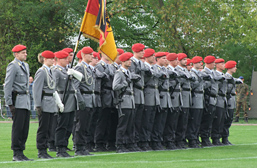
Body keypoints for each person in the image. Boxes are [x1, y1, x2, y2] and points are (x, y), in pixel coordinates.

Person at [4, 44, 33, 161]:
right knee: (18, 128)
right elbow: (8, 85)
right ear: (16, 54)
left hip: (25, 100)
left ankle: (21, 151)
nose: (25, 54)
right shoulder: (13, 66)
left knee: (25, 128)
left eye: (25, 52)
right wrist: (10, 104)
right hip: (18, 100)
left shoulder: (25, 65)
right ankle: (16, 153)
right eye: (23, 53)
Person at [53, 50, 82, 157]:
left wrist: (73, 72)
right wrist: (58, 103)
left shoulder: (67, 70)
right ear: (59, 60)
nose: (67, 60)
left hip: (71, 100)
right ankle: (60, 149)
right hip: (63, 99)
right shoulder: (56, 71)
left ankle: (64, 146)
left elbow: (81, 78)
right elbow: (54, 88)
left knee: (69, 126)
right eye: (65, 59)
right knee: (62, 126)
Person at [33, 50, 60, 159]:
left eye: (53, 58)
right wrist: (38, 105)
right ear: (44, 59)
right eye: (50, 58)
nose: (52, 60)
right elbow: (37, 89)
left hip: (51, 102)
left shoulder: (51, 71)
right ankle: (41, 150)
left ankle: (45, 148)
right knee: (43, 128)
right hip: (44, 102)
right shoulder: (41, 71)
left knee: (49, 128)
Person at [73, 46, 95, 155]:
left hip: (90, 99)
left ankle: (84, 146)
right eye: (89, 54)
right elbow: (75, 86)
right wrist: (80, 100)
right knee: (81, 125)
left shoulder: (89, 68)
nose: (92, 56)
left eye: (92, 54)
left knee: (87, 125)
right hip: (84, 99)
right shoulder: (79, 68)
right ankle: (79, 147)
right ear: (83, 55)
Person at [112, 52, 135, 153]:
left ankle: (128, 143)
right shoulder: (119, 72)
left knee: (130, 124)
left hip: (130, 100)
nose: (130, 62)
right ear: (123, 61)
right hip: (124, 100)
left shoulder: (128, 72)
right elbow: (115, 86)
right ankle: (120, 145)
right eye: (128, 60)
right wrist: (126, 82)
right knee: (123, 124)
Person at [128, 43, 146, 151]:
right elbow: (130, 75)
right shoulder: (132, 62)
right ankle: (132, 142)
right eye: (141, 51)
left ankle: (137, 141)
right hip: (134, 92)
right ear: (136, 52)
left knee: (139, 120)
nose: (143, 53)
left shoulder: (140, 63)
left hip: (140, 92)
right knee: (133, 120)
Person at [151, 52, 170, 150]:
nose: (165, 60)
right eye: (163, 58)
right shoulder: (155, 68)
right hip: (159, 95)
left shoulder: (164, 69)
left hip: (166, 96)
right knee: (157, 121)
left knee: (163, 121)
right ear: (157, 59)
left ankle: (160, 139)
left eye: (166, 58)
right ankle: (155, 141)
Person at [186, 56, 205, 148]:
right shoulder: (192, 73)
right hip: (195, 97)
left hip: (200, 97)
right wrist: (200, 81)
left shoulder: (199, 73)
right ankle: (192, 139)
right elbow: (192, 86)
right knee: (194, 120)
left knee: (198, 120)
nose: (200, 64)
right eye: (198, 62)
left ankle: (196, 138)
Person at [199, 55, 218, 147]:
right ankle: (204, 138)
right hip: (207, 98)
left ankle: (207, 137)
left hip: (214, 98)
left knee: (211, 119)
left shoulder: (214, 73)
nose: (214, 64)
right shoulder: (204, 72)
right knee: (206, 119)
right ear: (209, 63)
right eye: (213, 62)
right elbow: (203, 85)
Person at [164, 53, 181, 150]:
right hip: (171, 97)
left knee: (174, 121)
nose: (177, 61)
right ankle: (168, 140)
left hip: (177, 98)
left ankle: (173, 139)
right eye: (175, 60)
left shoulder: (175, 70)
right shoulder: (169, 71)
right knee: (170, 121)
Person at [174, 53, 192, 149]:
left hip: (186, 97)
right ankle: (178, 140)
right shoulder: (177, 70)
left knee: (185, 120)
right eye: (183, 59)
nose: (186, 61)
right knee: (180, 121)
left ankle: (182, 139)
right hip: (180, 96)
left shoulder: (186, 70)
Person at [223, 60, 242, 145]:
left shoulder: (231, 78)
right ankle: (224, 138)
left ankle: (225, 138)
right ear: (230, 67)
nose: (235, 68)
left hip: (232, 99)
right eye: (234, 66)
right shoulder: (226, 77)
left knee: (229, 119)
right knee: (226, 119)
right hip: (228, 99)